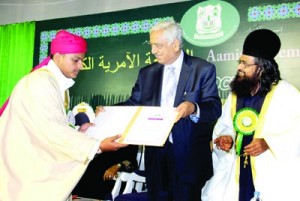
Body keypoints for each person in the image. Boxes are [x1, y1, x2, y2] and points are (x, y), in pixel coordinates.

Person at [0, 30, 127, 201]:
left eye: (82, 60)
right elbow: (52, 131)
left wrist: (79, 131)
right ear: (58, 56)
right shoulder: (40, 82)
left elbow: (48, 126)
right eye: (76, 60)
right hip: (26, 168)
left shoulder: (53, 83)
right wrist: (97, 146)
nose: (81, 66)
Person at [117, 20, 222, 201]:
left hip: (188, 157)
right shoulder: (146, 73)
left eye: (158, 45)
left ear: (175, 44)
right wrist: (109, 111)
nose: (153, 51)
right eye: (151, 45)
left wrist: (193, 108)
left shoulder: (203, 69)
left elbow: (214, 107)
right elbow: (134, 104)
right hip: (155, 155)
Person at [201, 29, 300, 201]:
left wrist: (268, 143)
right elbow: (226, 123)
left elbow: (296, 132)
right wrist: (227, 138)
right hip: (237, 167)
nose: (239, 67)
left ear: (261, 68)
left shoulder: (286, 93)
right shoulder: (236, 93)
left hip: (270, 169)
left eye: (245, 64)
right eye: (240, 62)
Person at [72, 111, 138, 200]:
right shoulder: (100, 133)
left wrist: (117, 166)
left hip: (108, 179)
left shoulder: (127, 139)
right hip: (87, 175)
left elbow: (131, 162)